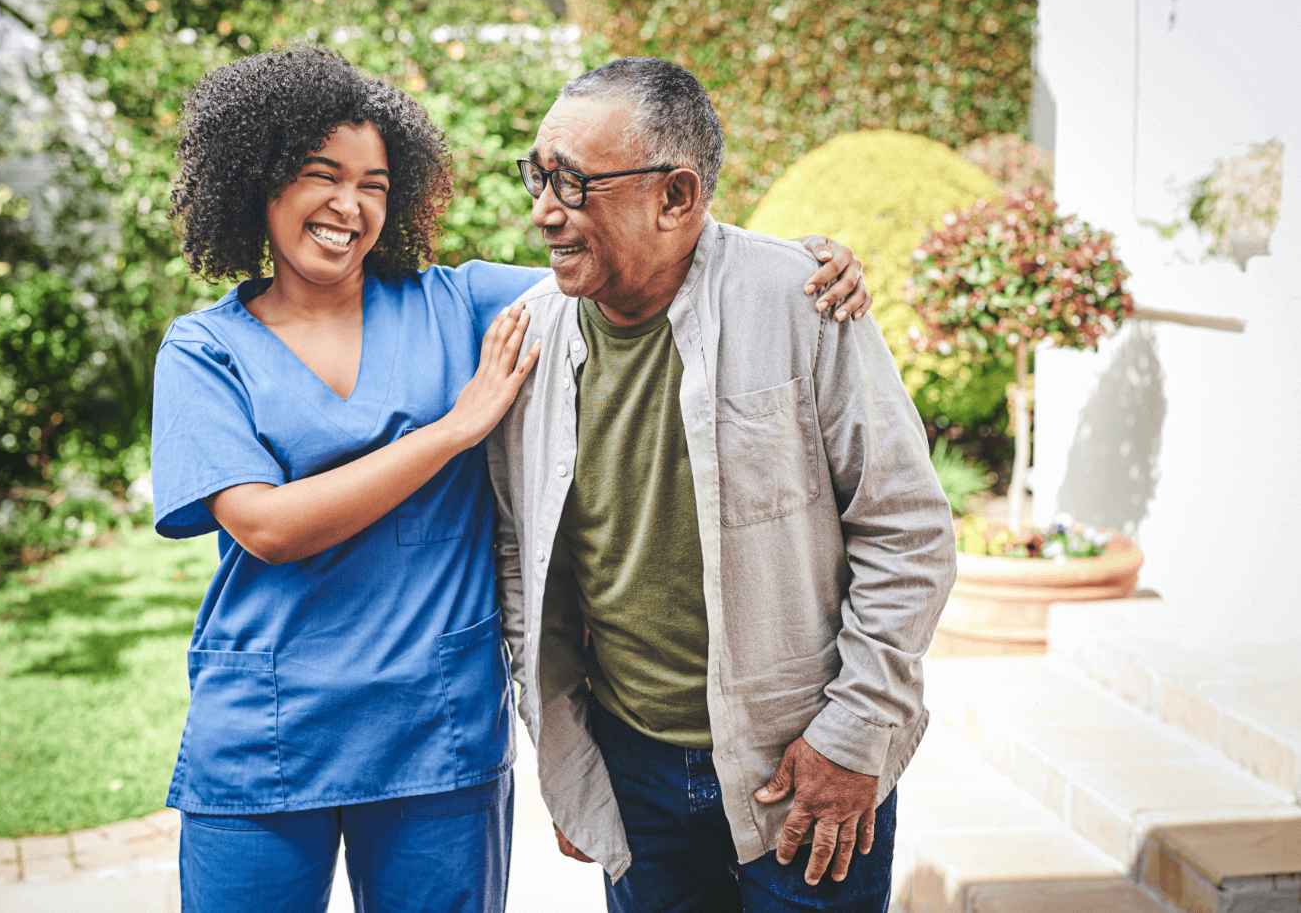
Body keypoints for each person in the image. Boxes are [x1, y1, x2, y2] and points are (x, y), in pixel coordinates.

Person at [150, 47, 871, 913]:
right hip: (266, 738)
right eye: (320, 174)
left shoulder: (464, 305)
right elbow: (264, 526)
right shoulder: (204, 350)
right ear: (258, 180)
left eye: (375, 183)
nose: (350, 205)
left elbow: (645, 255)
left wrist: (799, 265)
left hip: (435, 737)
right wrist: (454, 430)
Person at [488, 57, 957, 912]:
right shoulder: (529, 336)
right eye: (539, 173)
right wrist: (570, 757)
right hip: (632, 770)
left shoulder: (801, 299)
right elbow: (522, 552)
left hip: (804, 764)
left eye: (573, 183)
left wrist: (854, 735)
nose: (543, 210)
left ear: (676, 196)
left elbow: (909, 531)